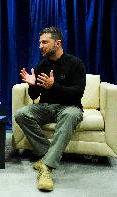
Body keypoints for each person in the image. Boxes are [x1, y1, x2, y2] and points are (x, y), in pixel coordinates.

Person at [15, 27, 86, 191]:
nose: (40, 46)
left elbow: (77, 94)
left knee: (70, 115)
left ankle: (47, 167)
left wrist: (54, 86)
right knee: (21, 114)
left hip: (70, 106)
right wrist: (31, 85)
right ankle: (48, 153)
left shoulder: (76, 64)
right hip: (46, 107)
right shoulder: (42, 64)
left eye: (44, 42)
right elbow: (34, 96)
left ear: (58, 43)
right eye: (40, 42)